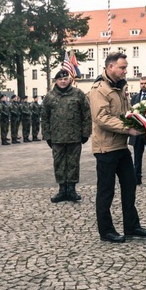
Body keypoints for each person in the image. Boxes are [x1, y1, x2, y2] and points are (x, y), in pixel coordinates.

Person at [88, 52, 146, 243]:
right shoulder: (99, 89)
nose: (126, 71)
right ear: (110, 68)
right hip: (106, 148)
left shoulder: (121, 86)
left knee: (129, 186)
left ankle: (131, 226)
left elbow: (125, 112)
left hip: (121, 146)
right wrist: (129, 129)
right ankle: (106, 231)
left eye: (126, 67)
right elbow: (102, 118)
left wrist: (141, 119)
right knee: (106, 191)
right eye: (122, 67)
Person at [42, 69, 92, 203]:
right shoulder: (50, 96)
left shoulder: (78, 94)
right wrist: (47, 135)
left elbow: (86, 114)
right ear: (56, 81)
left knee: (73, 163)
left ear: (69, 79)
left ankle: (71, 189)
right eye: (60, 79)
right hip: (56, 137)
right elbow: (44, 117)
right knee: (58, 163)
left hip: (74, 136)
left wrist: (85, 133)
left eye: (65, 79)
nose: (63, 81)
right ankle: (61, 189)